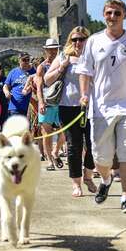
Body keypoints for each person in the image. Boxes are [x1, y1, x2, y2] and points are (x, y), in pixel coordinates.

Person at [76, 0, 126, 213]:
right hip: (101, 108)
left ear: (125, 16)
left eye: (117, 13)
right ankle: (106, 178)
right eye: (109, 13)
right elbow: (84, 71)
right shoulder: (93, 41)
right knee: (101, 157)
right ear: (103, 15)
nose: (113, 17)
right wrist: (84, 94)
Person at [45, 26, 95, 197]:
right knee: (74, 146)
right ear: (70, 41)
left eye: (81, 39)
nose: (78, 42)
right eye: (74, 39)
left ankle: (88, 176)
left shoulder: (94, 56)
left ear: (87, 40)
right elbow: (47, 80)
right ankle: (76, 183)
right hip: (68, 107)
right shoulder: (63, 56)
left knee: (93, 144)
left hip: (91, 107)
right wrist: (62, 67)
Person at [36, 38, 64, 171]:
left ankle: (55, 151)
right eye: (50, 49)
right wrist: (40, 102)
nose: (52, 51)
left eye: (55, 48)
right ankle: (49, 161)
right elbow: (39, 87)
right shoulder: (42, 67)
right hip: (47, 102)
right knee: (47, 133)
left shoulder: (63, 64)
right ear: (45, 50)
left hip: (62, 101)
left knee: (65, 132)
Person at [3, 52, 36, 117]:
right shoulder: (13, 72)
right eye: (24, 60)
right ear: (19, 60)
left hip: (30, 107)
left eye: (28, 60)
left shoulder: (34, 71)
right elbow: (5, 86)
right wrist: (6, 92)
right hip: (14, 107)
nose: (26, 62)